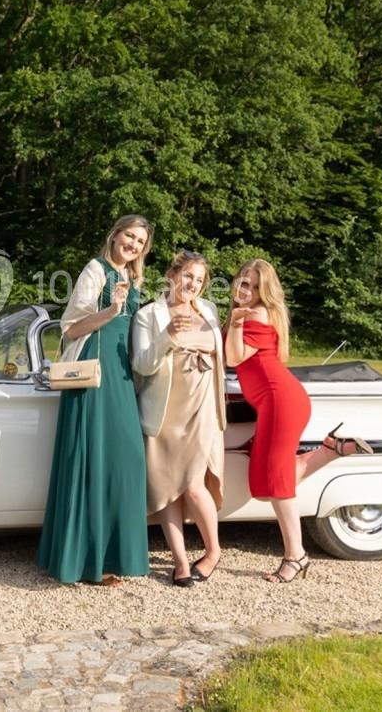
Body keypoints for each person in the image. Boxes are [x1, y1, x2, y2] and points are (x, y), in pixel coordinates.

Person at [224, 258, 368, 583]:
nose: (246, 290)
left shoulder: (256, 314)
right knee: (261, 486)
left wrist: (233, 324)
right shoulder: (245, 314)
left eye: (255, 286)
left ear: (266, 292)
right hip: (276, 402)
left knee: (276, 484)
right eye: (243, 282)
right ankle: (330, 450)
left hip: (281, 401)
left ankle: (296, 555)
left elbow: (233, 357)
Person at [37, 215, 153, 585]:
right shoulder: (96, 269)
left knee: (128, 460)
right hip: (94, 378)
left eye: (140, 241)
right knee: (96, 461)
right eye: (129, 236)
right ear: (115, 234)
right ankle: (88, 563)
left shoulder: (134, 278)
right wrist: (110, 311)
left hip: (120, 376)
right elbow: (70, 327)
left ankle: (113, 555)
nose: (133, 244)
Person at [132, 250, 226, 587]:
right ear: (172, 275)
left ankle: (213, 552)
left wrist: (194, 340)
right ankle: (181, 561)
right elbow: (142, 365)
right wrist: (169, 334)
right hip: (164, 411)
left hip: (200, 409)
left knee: (192, 484)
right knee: (166, 489)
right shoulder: (148, 316)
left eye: (200, 280)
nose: (193, 284)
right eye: (188, 276)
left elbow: (220, 347)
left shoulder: (209, 310)